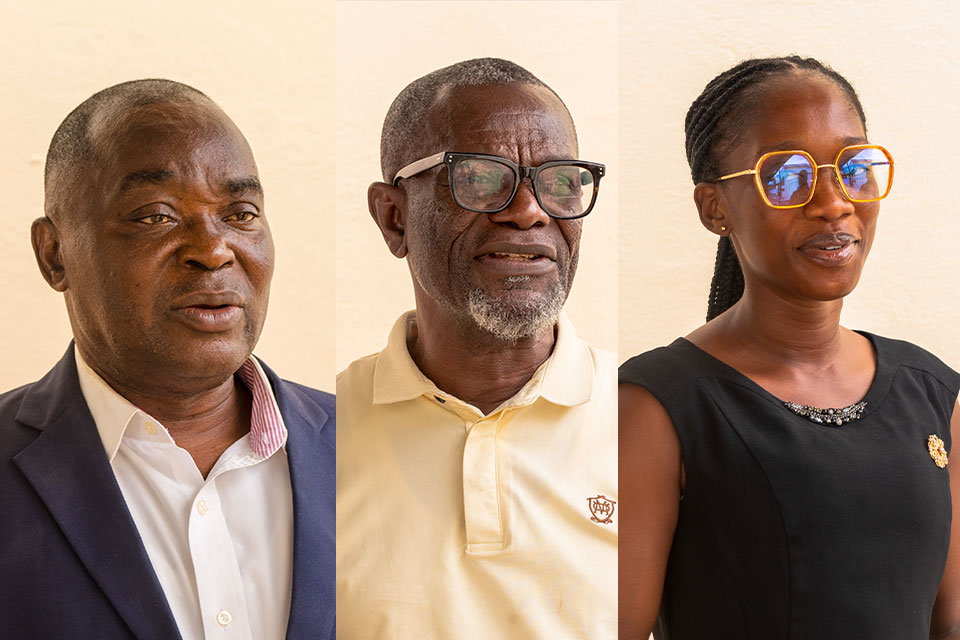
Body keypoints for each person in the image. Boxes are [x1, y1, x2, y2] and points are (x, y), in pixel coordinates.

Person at [619, 55, 960, 640]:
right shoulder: (657, 406)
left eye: (853, 168)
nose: (833, 203)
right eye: (787, 176)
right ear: (715, 208)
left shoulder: (932, 394)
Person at [0, 80, 335, 640]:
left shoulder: (371, 448)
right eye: (156, 216)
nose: (213, 250)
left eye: (241, 213)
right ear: (54, 255)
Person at [336, 58, 617, 639]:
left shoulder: (648, 421)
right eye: (481, 178)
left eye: (561, 181)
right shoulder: (314, 436)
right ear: (394, 218)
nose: (529, 211)